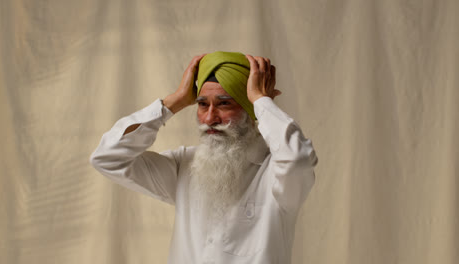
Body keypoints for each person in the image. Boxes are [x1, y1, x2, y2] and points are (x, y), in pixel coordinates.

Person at [90, 51, 318, 264]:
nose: (210, 118)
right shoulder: (185, 165)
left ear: (251, 110)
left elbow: (298, 159)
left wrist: (260, 100)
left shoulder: (276, 173)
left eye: (224, 103)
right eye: (202, 104)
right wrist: (176, 101)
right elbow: (107, 157)